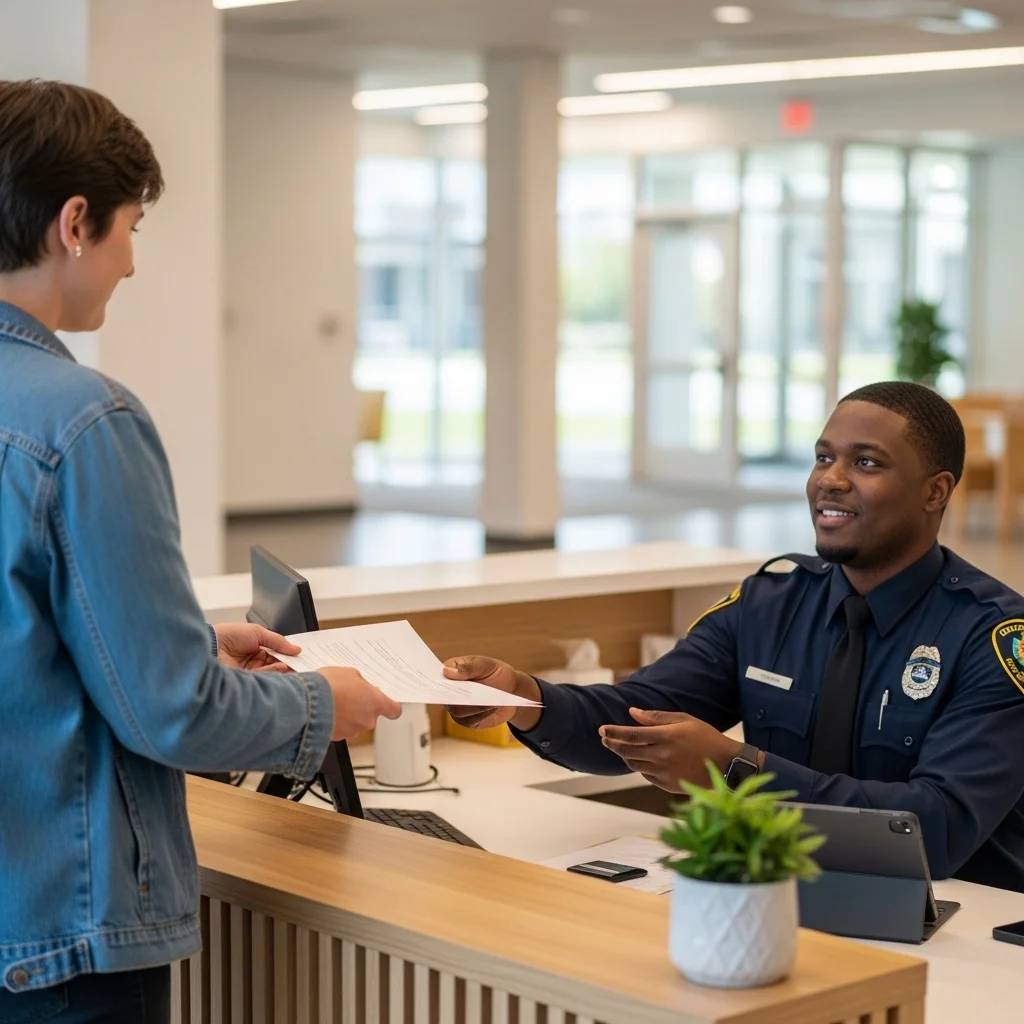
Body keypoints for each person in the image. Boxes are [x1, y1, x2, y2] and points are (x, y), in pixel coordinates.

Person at [0, 80, 401, 1023]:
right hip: (66, 944)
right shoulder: (84, 420)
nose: (133, 263)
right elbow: (171, 714)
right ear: (74, 222)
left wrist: (181, 642)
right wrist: (320, 704)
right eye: (131, 227)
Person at [446, 382, 1024, 893]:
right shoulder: (770, 601)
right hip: (780, 892)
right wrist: (524, 698)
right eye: (823, 457)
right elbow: (634, 716)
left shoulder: (990, 636)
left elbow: (938, 829)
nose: (830, 480)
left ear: (935, 491)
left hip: (957, 919)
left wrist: (736, 769)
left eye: (866, 463)